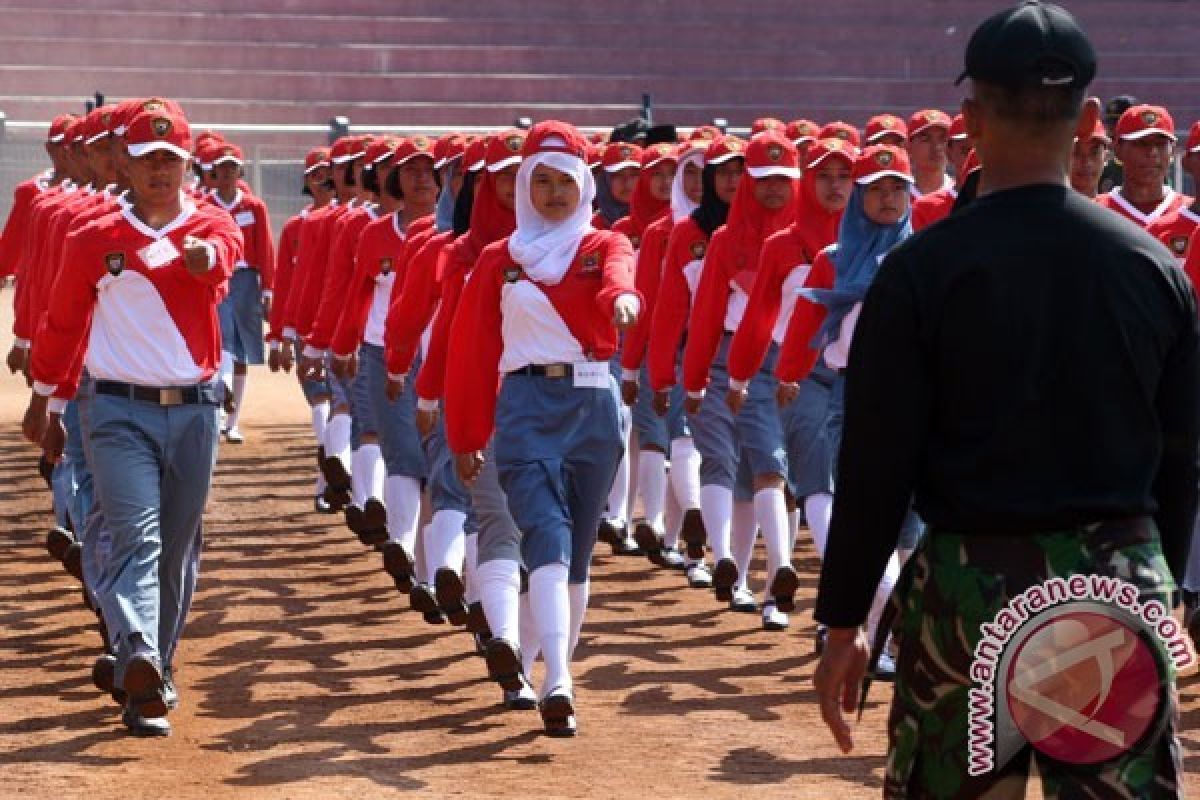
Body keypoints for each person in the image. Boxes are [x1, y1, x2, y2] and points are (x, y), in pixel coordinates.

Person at [812, 4, 1197, 796]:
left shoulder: (921, 274)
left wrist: (845, 621)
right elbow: (1183, 455)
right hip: (1114, 585)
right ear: (1091, 121)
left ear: (971, 122)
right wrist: (1164, 587)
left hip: (967, 587)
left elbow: (876, 464)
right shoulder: (1153, 268)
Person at [23, 107, 244, 737]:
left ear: (187, 164)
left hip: (196, 413)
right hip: (117, 412)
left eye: (170, 159)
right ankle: (140, 650)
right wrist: (49, 401)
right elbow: (64, 324)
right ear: (125, 162)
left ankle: (153, 672)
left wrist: (206, 260)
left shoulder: (212, 225)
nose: (159, 170)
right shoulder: (93, 235)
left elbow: (222, 257)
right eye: (147, 158)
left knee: (176, 552)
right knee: (136, 537)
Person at [445, 120, 639, 737]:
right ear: (525, 185)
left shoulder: (605, 244)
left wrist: (621, 303)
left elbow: (618, 281)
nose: (554, 195)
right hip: (525, 408)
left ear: (585, 186)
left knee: (578, 552)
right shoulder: (501, 260)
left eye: (565, 183)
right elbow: (472, 351)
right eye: (542, 182)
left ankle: (542, 665)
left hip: (594, 408)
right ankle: (559, 679)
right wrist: (466, 436)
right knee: (547, 534)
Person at [725, 136, 856, 630]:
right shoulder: (782, 246)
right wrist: (738, 375)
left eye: (844, 176)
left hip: (856, 374)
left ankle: (853, 600)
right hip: (786, 369)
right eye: (824, 175)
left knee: (832, 483)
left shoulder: (880, 240)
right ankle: (790, 577)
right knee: (794, 473)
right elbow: (758, 318)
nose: (835, 186)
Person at [681, 130, 801, 623]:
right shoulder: (726, 239)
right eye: (762, 179)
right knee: (751, 465)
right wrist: (692, 379)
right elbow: (706, 313)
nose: (772, 189)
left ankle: (769, 581)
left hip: (806, 361)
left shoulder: (817, 235)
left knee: (780, 472)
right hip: (736, 359)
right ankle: (763, 573)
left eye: (782, 179)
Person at [646, 134, 745, 590]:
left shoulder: (769, 229)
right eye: (716, 171)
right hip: (695, 354)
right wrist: (658, 371)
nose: (731, 180)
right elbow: (664, 306)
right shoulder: (678, 233)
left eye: (739, 170)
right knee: (694, 446)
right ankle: (698, 543)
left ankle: (730, 560)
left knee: (751, 463)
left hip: (758, 358)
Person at [206, 142, 274, 443]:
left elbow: (266, 249)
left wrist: (268, 288)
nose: (227, 174)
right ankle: (221, 394)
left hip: (247, 279)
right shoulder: (204, 204)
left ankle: (232, 421)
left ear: (240, 172)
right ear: (213, 172)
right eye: (222, 168)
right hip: (217, 277)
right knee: (219, 336)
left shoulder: (253, 207)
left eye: (232, 168)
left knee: (243, 346)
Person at [1096, 104, 1190, 228]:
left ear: (1172, 150)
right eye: (1141, 143)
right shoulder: (1094, 213)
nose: (1152, 152)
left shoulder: (1192, 213)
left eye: (1160, 144)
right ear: (1118, 149)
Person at [905, 109, 954, 197]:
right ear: (909, 147)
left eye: (943, 139)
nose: (936, 147)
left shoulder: (961, 195)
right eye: (926, 139)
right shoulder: (899, 197)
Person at [1067, 115, 1110, 198]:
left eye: (1094, 152)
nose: (1086, 162)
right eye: (1076, 152)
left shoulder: (1117, 209)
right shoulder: (1042, 208)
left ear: (1106, 157)